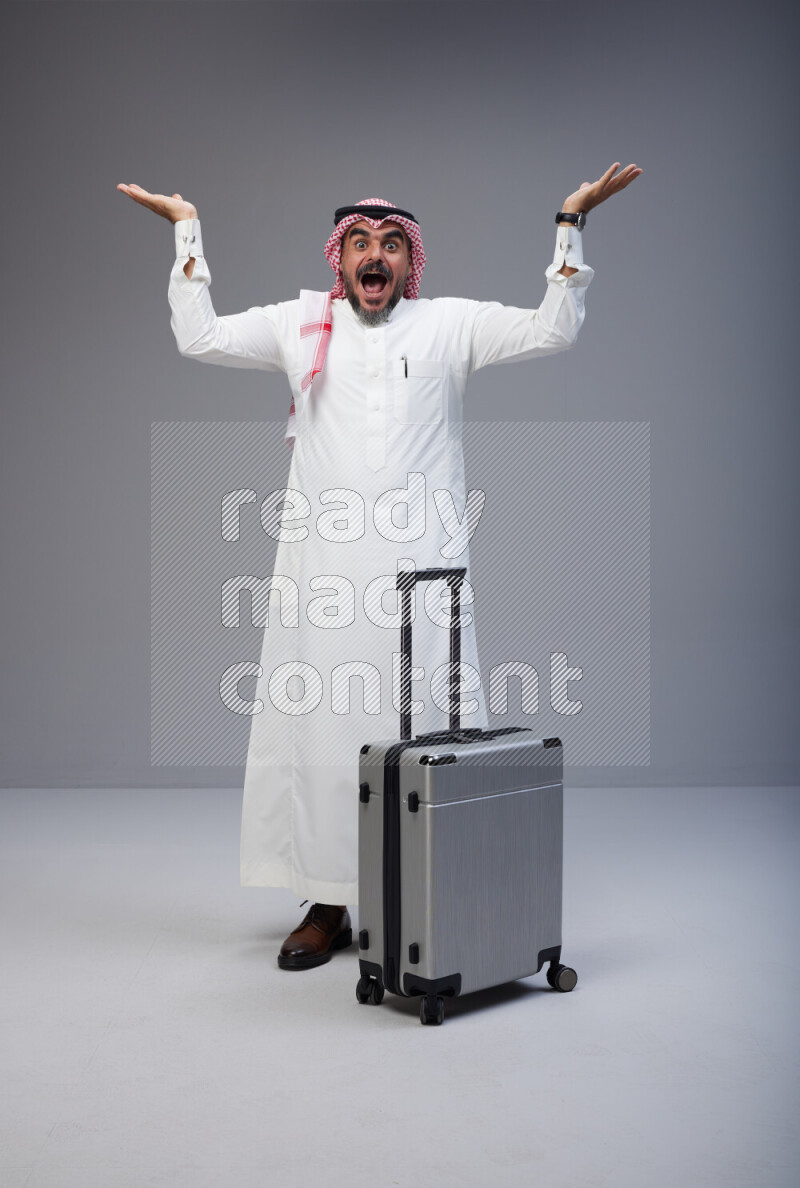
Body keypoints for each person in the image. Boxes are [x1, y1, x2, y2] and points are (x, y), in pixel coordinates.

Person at [118, 162, 642, 971]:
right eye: (359, 241)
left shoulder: (449, 327)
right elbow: (202, 336)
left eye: (392, 243)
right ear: (338, 259)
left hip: (422, 580)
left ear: (410, 262)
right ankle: (328, 903)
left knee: (427, 729)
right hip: (322, 577)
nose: (375, 255)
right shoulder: (299, 326)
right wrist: (187, 228)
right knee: (327, 733)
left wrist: (570, 221)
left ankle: (427, 898)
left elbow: (553, 330)